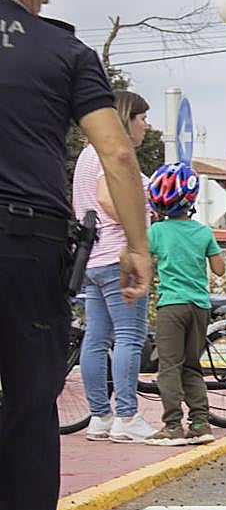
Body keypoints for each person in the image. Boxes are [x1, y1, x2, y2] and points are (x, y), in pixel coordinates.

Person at [0, 0, 151, 510]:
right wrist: (139, 248)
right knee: (30, 391)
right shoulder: (63, 54)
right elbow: (117, 152)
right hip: (19, 239)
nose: (42, 2)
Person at [73, 89, 155, 442]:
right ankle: (126, 416)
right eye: (141, 119)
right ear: (126, 119)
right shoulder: (110, 155)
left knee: (95, 339)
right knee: (129, 337)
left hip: (91, 258)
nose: (146, 127)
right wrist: (138, 222)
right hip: (118, 257)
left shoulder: (85, 156)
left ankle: (99, 416)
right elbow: (108, 198)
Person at [143, 163, 226, 446]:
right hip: (199, 307)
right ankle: (201, 423)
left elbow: (137, 257)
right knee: (192, 365)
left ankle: (172, 426)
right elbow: (219, 270)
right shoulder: (203, 232)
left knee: (169, 366)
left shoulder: (157, 232)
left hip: (171, 306)